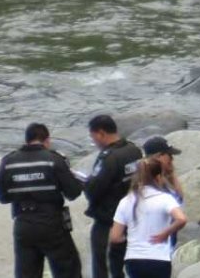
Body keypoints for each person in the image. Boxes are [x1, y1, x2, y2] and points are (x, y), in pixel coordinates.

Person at [0, 122, 84, 278]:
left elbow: (2, 197)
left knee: (27, 273)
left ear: (26, 140)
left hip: (23, 224)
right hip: (52, 224)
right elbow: (73, 192)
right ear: (47, 140)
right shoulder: (54, 159)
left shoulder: (8, 162)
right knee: (68, 269)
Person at [84, 115, 143, 278]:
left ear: (101, 133)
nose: (93, 141)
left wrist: (87, 182)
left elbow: (93, 190)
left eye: (93, 136)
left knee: (106, 268)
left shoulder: (108, 158)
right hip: (134, 219)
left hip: (109, 222)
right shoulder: (134, 150)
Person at [110, 158, 187, 278]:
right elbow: (181, 219)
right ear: (158, 177)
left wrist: (131, 238)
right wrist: (165, 233)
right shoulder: (165, 198)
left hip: (134, 259)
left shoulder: (126, 201)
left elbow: (115, 237)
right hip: (159, 258)